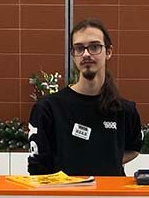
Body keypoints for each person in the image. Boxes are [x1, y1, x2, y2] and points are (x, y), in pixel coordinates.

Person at [27, 18, 142, 176]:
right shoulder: (48, 109)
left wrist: (105, 163)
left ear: (108, 52)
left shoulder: (125, 110)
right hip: (63, 192)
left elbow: (134, 148)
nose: (86, 54)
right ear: (73, 55)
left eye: (94, 47)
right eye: (79, 48)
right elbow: (38, 167)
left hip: (111, 192)